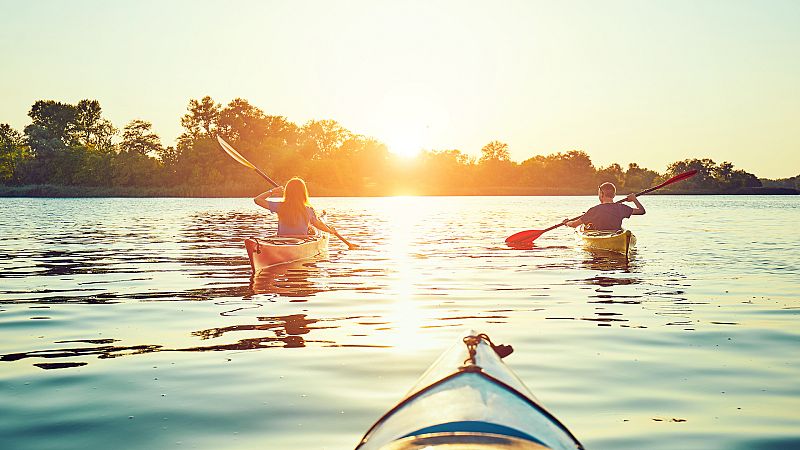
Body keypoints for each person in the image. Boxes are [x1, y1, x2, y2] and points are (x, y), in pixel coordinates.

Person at [254, 177, 357, 248]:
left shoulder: (280, 206)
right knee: (312, 230)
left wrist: (273, 191)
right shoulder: (308, 210)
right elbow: (318, 224)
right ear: (303, 193)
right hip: (299, 240)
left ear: (287, 192)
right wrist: (330, 231)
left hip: (282, 240)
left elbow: (257, 199)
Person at [564, 182, 645, 230]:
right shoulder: (621, 208)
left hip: (601, 236)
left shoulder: (594, 210)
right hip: (615, 234)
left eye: (599, 194)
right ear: (614, 195)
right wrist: (634, 199)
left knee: (588, 226)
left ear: (602, 194)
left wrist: (567, 223)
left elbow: (574, 224)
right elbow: (641, 211)